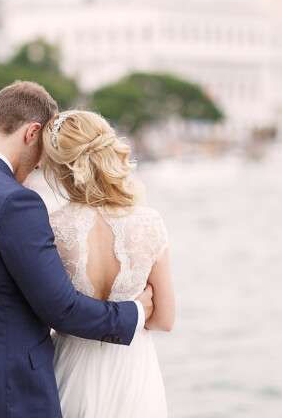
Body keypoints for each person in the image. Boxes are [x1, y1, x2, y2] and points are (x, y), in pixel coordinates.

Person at [0, 81, 154, 418]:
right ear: (31, 133)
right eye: (42, 150)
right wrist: (135, 312)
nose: (41, 165)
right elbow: (61, 308)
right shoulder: (15, 201)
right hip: (14, 395)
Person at [40, 110, 175, 418]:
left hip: (71, 371)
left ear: (59, 168)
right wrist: (139, 308)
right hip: (135, 376)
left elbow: (46, 315)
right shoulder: (149, 223)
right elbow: (164, 319)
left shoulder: (51, 228)